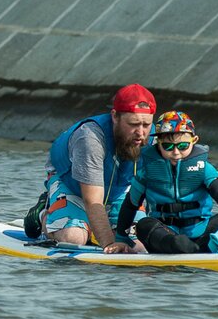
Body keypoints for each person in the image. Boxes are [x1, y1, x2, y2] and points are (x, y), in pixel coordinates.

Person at [22, 83, 156, 253]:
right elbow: (92, 201)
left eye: (146, 125)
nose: (141, 133)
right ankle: (44, 213)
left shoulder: (155, 139)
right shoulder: (90, 139)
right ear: (115, 116)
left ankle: (97, 225)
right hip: (71, 184)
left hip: (119, 188)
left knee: (140, 247)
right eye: (133, 124)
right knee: (74, 238)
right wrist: (109, 244)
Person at [106, 110, 218, 254]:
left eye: (183, 146)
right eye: (168, 146)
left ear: (194, 140)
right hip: (167, 235)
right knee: (143, 224)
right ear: (158, 143)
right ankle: (180, 246)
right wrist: (121, 239)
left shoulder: (204, 168)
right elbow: (130, 205)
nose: (176, 152)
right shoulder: (146, 172)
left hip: (203, 232)